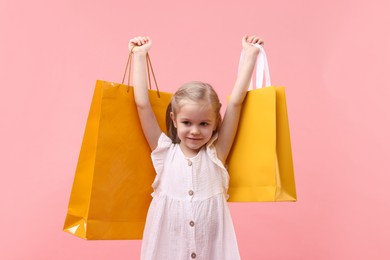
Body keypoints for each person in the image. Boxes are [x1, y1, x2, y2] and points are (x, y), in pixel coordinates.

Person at [129, 35, 263, 260]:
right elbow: (142, 105)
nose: (195, 131)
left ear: (215, 124)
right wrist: (140, 56)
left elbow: (236, 103)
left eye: (204, 124)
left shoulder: (216, 154)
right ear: (173, 119)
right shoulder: (164, 153)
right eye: (187, 123)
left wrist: (250, 55)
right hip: (169, 249)